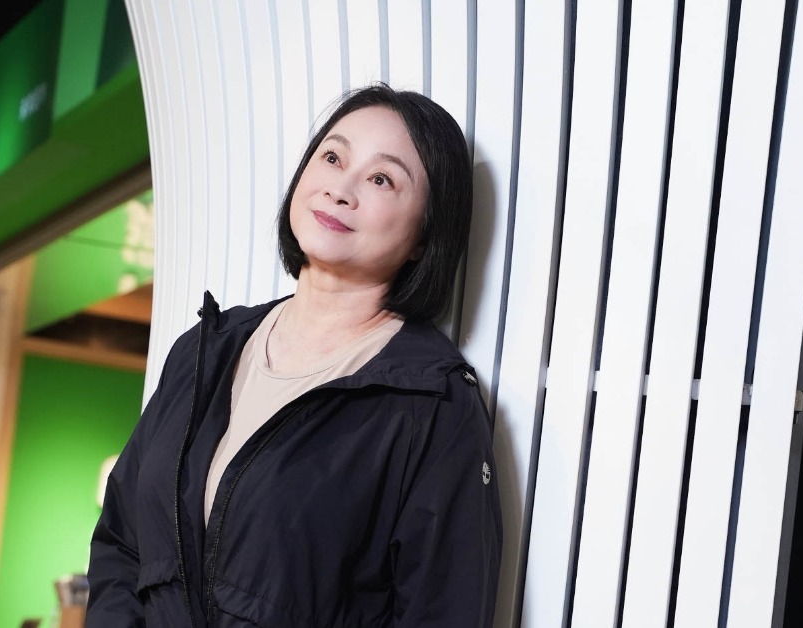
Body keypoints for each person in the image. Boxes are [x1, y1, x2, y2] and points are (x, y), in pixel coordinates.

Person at [87, 84, 502, 627]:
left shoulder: (432, 404)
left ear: (425, 235)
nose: (340, 189)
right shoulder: (207, 348)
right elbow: (123, 542)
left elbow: (441, 612)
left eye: (381, 179)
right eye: (332, 158)